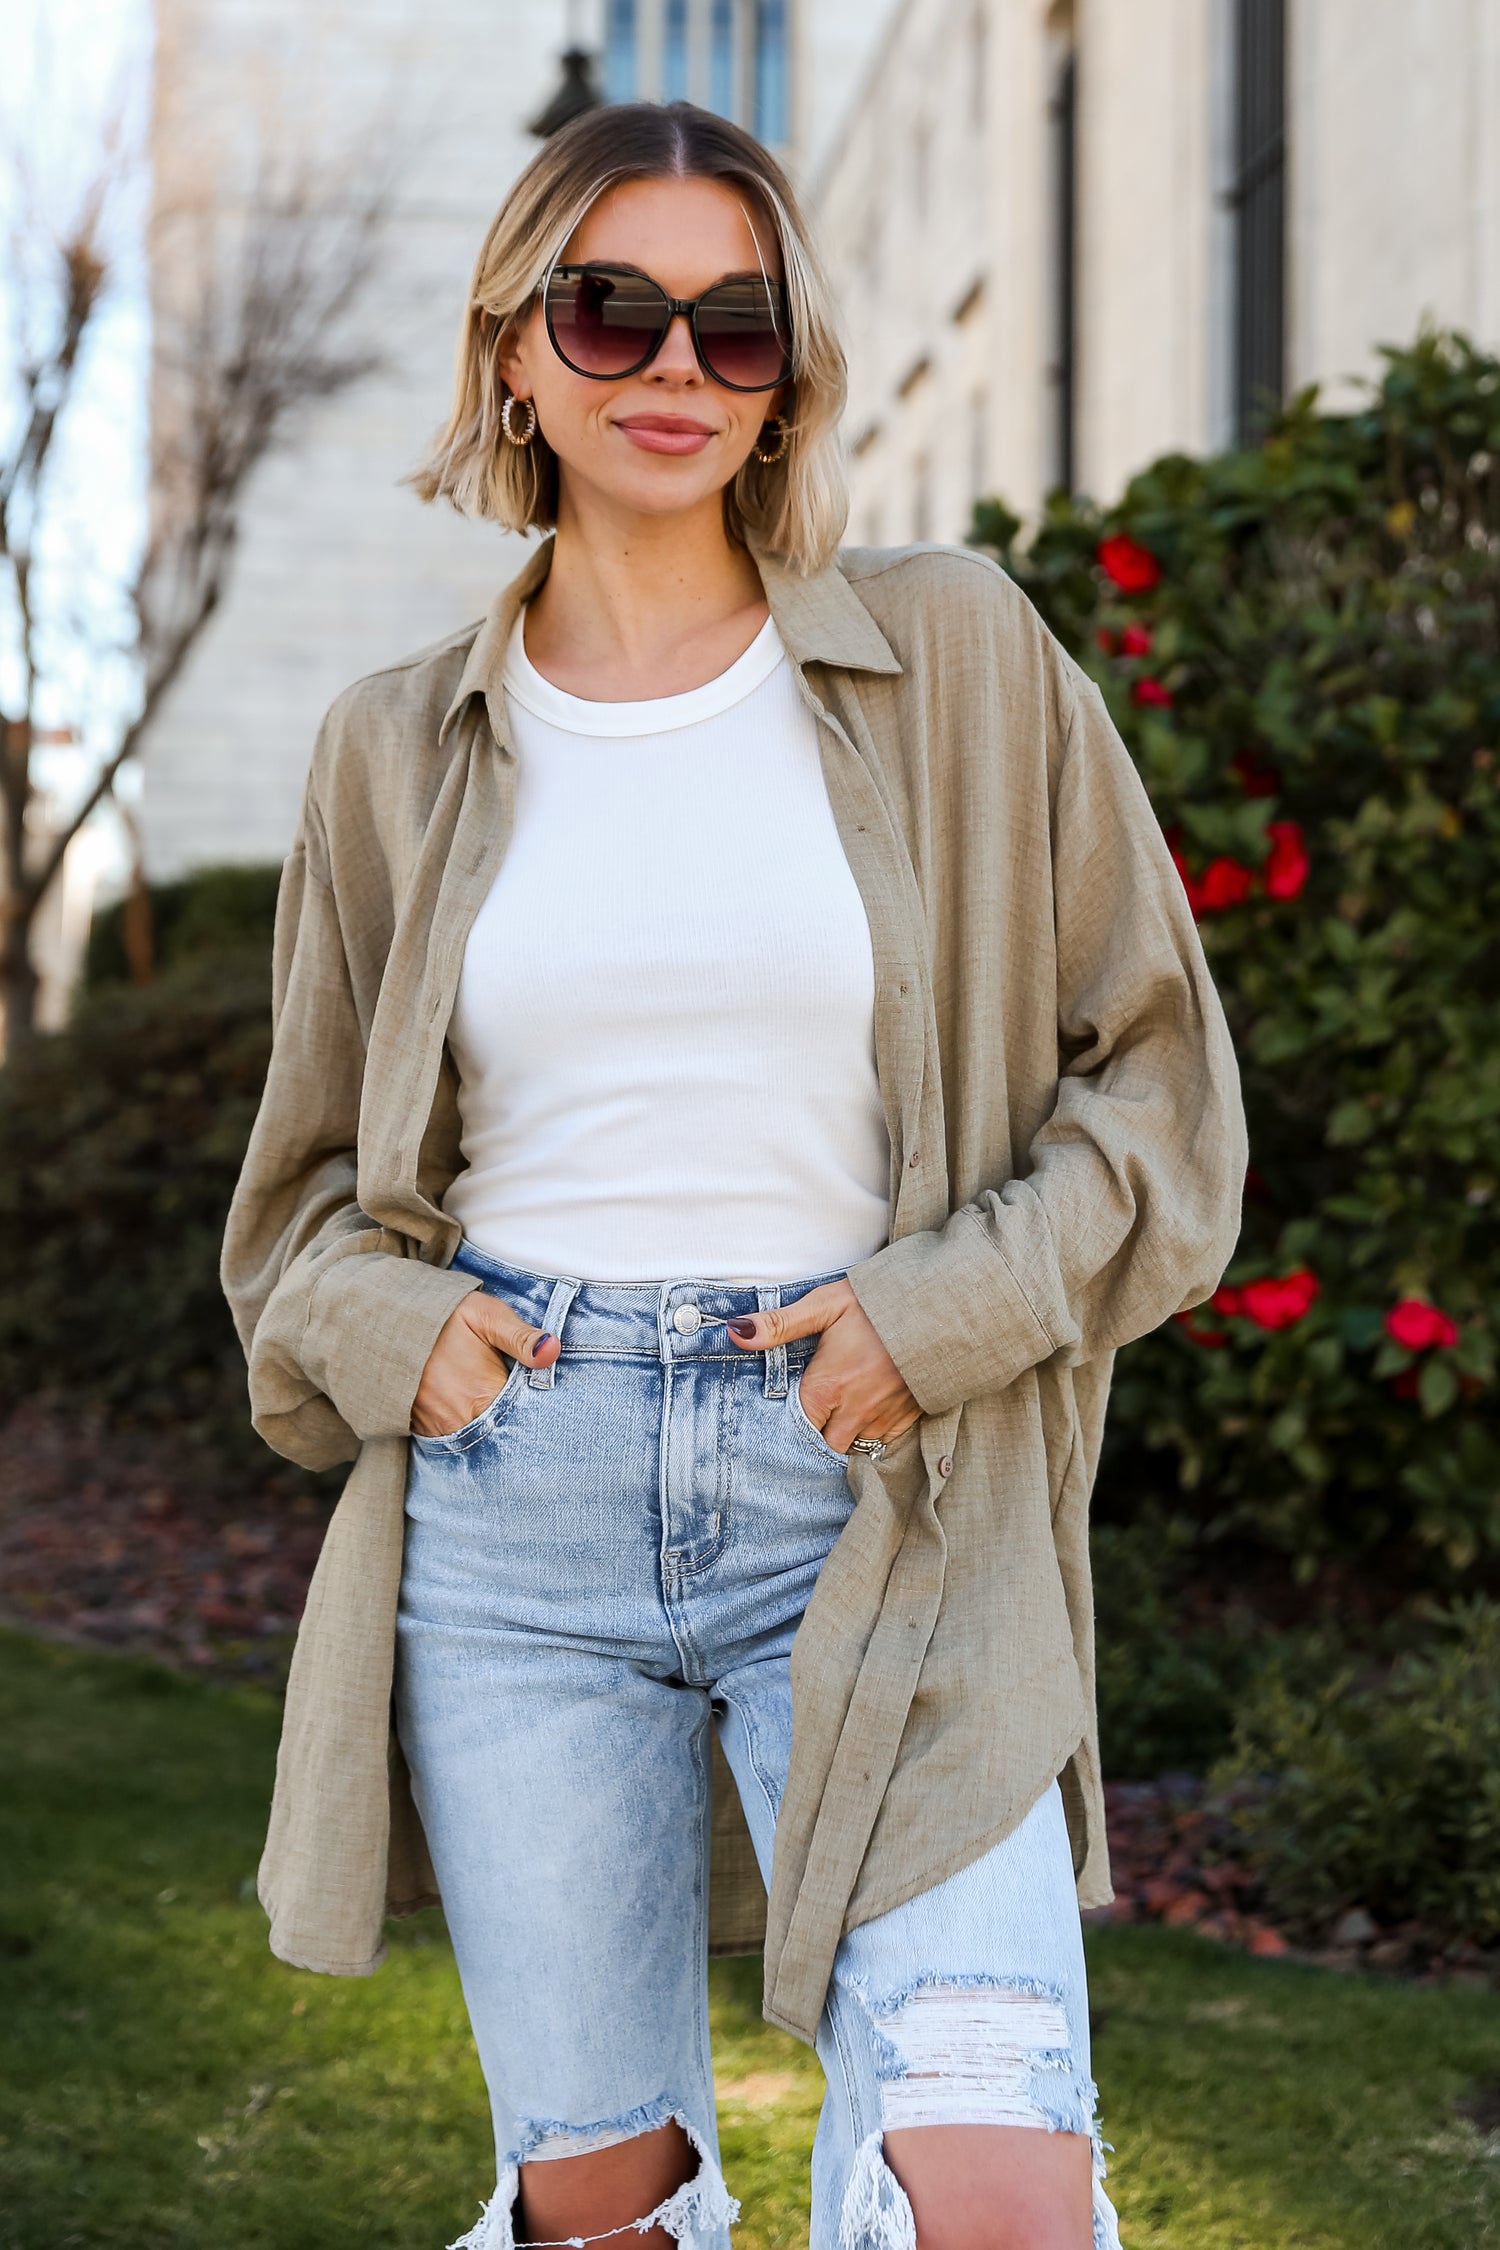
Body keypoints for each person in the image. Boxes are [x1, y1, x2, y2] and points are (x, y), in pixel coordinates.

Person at [223, 100, 1244, 2250]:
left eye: (735, 324)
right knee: (603, 2208)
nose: (672, 369)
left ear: (790, 372)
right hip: (520, 1525)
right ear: (515, 348)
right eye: (612, 311)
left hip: (888, 1479)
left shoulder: (955, 655)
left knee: (997, 2187)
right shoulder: (391, 751)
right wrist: (422, 1350)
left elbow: (1162, 1098)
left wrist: (934, 1315)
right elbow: (293, 1217)